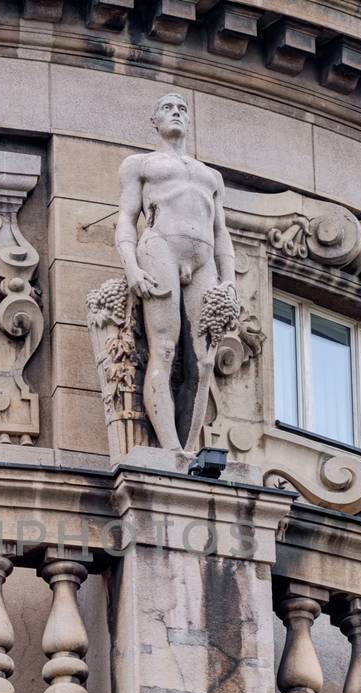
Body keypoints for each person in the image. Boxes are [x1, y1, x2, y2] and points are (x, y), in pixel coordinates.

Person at [114, 93, 236, 452]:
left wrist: (229, 281)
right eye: (168, 107)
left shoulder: (210, 176)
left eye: (182, 108)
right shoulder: (140, 164)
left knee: (204, 358)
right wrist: (131, 267)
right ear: (155, 120)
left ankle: (188, 447)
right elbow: (125, 218)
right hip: (159, 247)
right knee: (164, 349)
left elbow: (221, 232)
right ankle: (171, 449)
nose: (176, 113)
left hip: (204, 260)